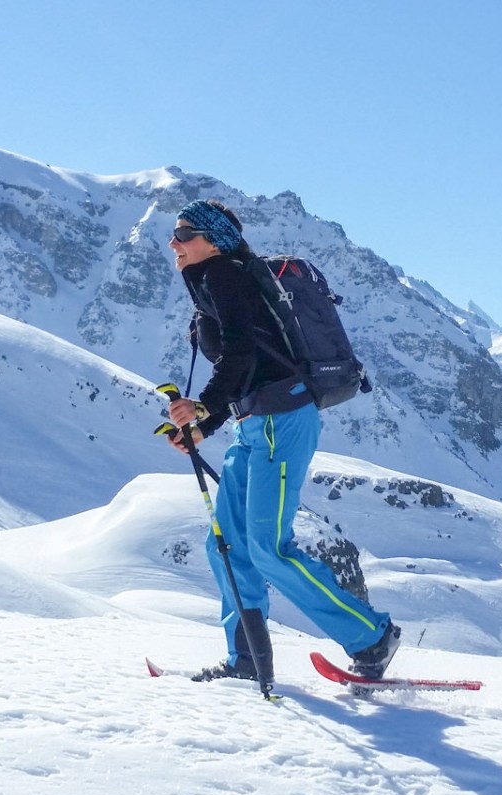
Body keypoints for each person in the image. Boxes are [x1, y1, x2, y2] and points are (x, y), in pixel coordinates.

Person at [164, 199, 400, 684]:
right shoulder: (213, 281)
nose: (174, 243)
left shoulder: (225, 276)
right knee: (227, 543)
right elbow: (252, 366)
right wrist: (205, 427)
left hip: (283, 420)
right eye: (174, 234)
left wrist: (203, 410)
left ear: (213, 241)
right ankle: (248, 658)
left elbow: (240, 354)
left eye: (184, 235)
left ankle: (371, 637)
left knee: (269, 547)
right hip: (254, 424)